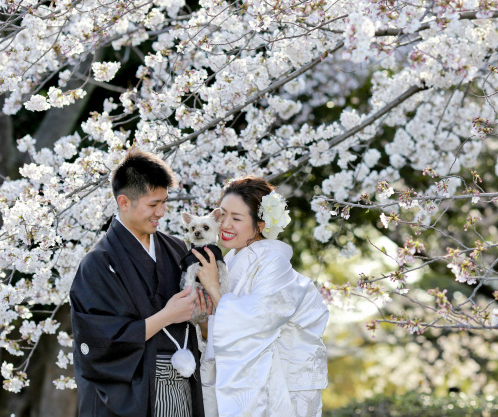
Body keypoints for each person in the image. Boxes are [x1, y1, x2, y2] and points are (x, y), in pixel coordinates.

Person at [69, 149, 206, 417]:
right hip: (132, 392)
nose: (161, 212)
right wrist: (167, 316)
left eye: (164, 202)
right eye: (153, 205)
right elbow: (99, 342)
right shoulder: (97, 263)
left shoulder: (176, 248)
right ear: (124, 202)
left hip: (181, 383)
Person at [192, 176, 329, 417]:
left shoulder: (273, 260)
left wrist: (214, 288)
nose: (224, 224)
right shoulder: (232, 260)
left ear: (261, 225)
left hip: (274, 386)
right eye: (222, 214)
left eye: (236, 218)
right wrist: (204, 324)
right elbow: (223, 325)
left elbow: (259, 318)